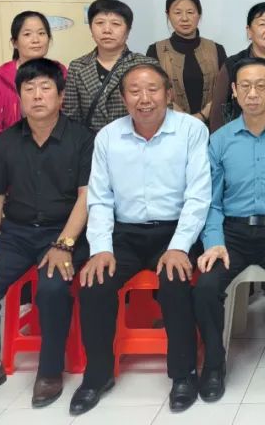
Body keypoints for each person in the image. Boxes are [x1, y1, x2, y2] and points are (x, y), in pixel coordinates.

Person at [69, 64, 211, 416]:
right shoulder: (108, 137)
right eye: (134, 91)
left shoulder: (191, 130)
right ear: (123, 98)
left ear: (168, 94)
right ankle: (97, 376)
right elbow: (99, 198)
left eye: (152, 90)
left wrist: (178, 247)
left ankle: (183, 375)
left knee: (175, 281)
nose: (144, 99)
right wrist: (101, 249)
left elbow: (198, 195)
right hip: (126, 233)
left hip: (176, 230)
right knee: (94, 283)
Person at [0, 59, 93, 412]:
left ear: (61, 96)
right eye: (28, 89)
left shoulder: (82, 139)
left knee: (52, 288)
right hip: (16, 234)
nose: (37, 96)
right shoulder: (6, 142)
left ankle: (50, 371)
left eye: (45, 88)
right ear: (19, 98)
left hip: (65, 232)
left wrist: (64, 244)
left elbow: (87, 197)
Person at [193, 58, 265, 403]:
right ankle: (214, 365)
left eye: (261, 86)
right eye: (245, 86)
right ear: (234, 91)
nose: (253, 93)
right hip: (233, 234)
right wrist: (214, 242)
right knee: (206, 287)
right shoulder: (219, 140)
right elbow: (211, 202)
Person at [0, 11, 67, 161]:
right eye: (27, 34)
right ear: (14, 42)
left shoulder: (61, 72)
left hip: (56, 158)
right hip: (13, 161)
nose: (36, 40)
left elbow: (69, 118)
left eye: (41, 33)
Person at [62, 0, 159, 133]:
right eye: (100, 23)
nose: (107, 30)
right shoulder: (77, 67)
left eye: (115, 24)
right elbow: (71, 118)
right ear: (91, 28)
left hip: (136, 140)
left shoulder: (146, 65)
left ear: (128, 31)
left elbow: (159, 111)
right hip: (90, 143)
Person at [208, 2, 265, 131]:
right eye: (262, 24)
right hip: (241, 138)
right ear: (249, 31)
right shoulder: (233, 64)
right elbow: (218, 114)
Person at [146, 0, 228, 124]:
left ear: (199, 15)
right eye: (177, 12)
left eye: (190, 12)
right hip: (170, 124)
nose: (184, 18)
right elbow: (152, 89)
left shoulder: (216, 49)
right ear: (168, 15)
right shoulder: (155, 50)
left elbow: (224, 89)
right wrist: (184, 118)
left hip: (212, 124)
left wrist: (202, 115)